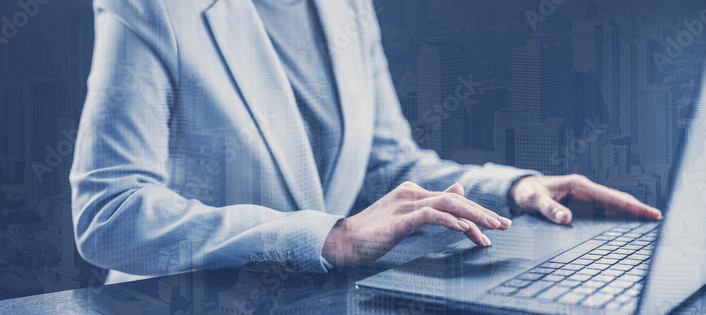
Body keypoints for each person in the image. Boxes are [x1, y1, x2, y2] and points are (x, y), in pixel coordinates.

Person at [70, 0, 662, 284]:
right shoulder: (148, 7)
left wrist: (515, 189)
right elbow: (109, 212)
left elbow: (388, 163)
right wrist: (330, 235)